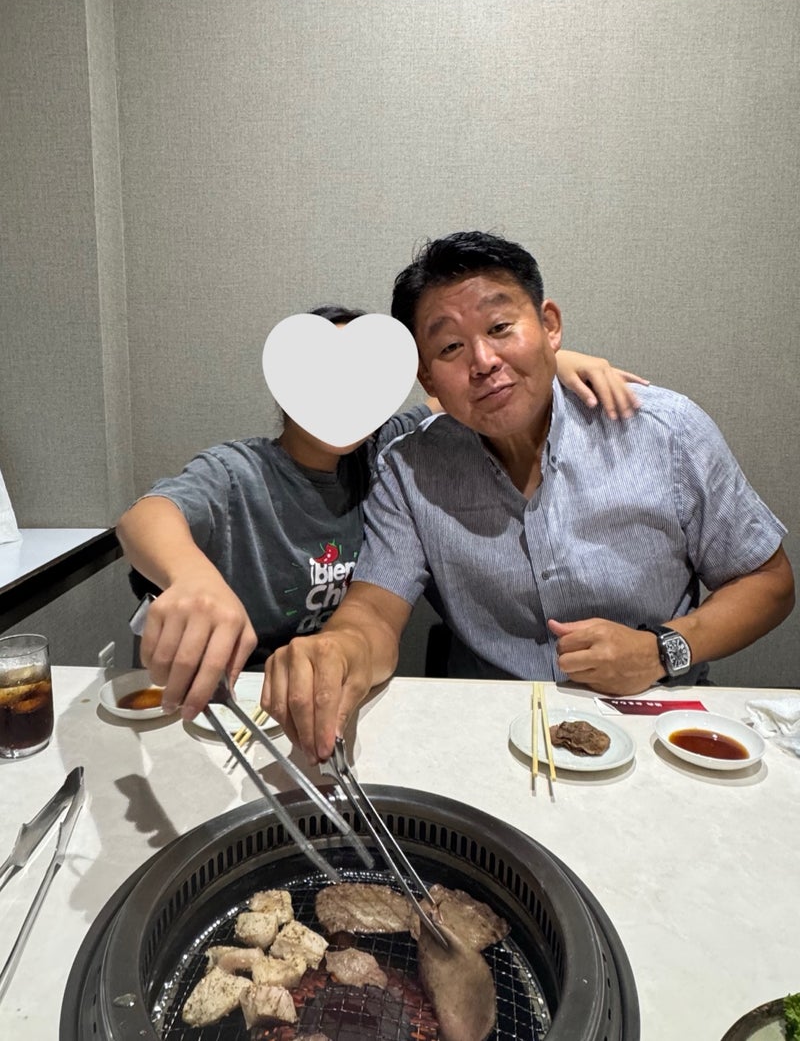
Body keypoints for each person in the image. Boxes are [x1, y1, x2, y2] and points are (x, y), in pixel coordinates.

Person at [261, 235, 795, 763]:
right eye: (450, 348)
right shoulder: (411, 468)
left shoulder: (663, 431)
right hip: (492, 735)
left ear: (549, 325)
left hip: (655, 720)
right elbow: (375, 611)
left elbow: (767, 581)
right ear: (426, 376)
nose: (483, 360)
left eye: (500, 328)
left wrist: (662, 649)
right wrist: (340, 648)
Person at [117, 303, 644, 718]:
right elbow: (145, 516)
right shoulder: (240, 470)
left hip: (342, 690)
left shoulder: (385, 448)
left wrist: (556, 361)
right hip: (236, 697)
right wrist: (193, 579)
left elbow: (465, 395)